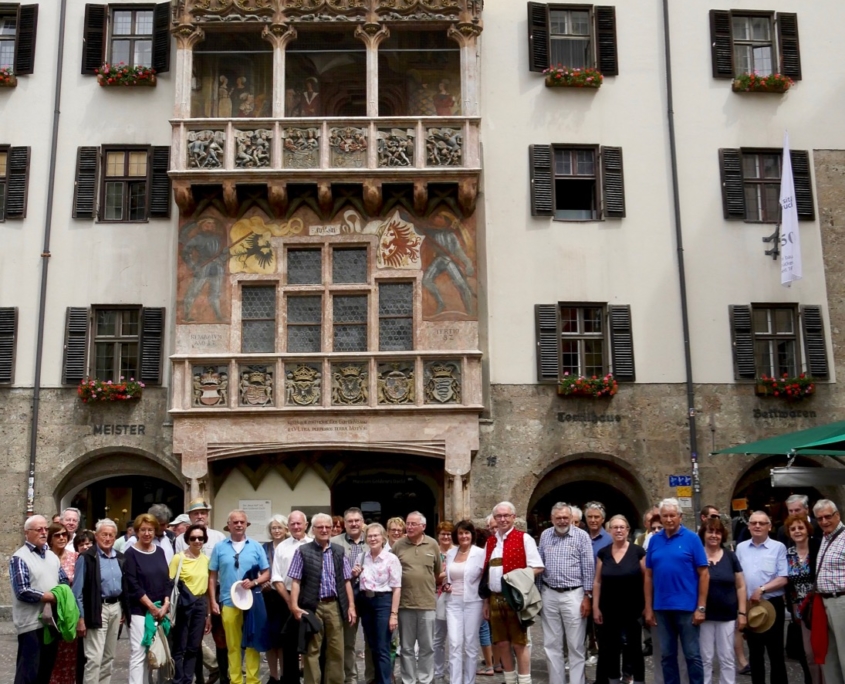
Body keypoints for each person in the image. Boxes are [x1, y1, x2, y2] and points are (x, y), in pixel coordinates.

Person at [645, 498, 709, 684]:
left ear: (680, 517)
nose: (669, 519)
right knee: (667, 656)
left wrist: (701, 607)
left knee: (692, 656)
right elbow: (648, 576)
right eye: (665, 516)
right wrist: (649, 608)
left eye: (673, 515)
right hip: (662, 608)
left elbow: (704, 574)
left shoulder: (692, 539)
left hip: (687, 608)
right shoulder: (654, 540)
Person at [289, 512, 357, 684]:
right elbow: (295, 581)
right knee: (312, 650)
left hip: (335, 605)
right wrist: (294, 606)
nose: (325, 530)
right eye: (320, 527)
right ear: (313, 529)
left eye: (328, 526)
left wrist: (351, 606)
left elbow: (347, 580)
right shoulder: (303, 551)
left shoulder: (339, 551)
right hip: (313, 606)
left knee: (337, 650)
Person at [482, 501, 544, 684]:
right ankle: (509, 680)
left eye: (506, 515)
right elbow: (485, 573)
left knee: (520, 642)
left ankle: (524, 681)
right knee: (501, 642)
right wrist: (485, 601)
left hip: (515, 599)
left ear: (513, 518)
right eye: (499, 516)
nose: (502, 519)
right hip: (494, 598)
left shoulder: (524, 538)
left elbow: (538, 566)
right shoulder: (490, 542)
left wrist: (516, 579)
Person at [210, 509, 270, 684]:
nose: (238, 525)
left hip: (252, 602)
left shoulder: (256, 546)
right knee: (233, 645)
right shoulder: (220, 547)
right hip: (228, 602)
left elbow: (266, 573)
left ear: (246, 525)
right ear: (228, 525)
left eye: (241, 522)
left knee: (252, 643)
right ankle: (235, 680)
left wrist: (254, 582)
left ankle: (253, 680)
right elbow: (212, 575)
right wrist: (213, 601)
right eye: (234, 522)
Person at [538, 502, 595, 684]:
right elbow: (540, 565)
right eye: (558, 518)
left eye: (565, 518)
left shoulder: (581, 536)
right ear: (552, 518)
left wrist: (588, 596)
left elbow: (588, 567)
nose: (562, 521)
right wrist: (538, 594)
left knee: (576, 645)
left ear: (571, 519)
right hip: (549, 593)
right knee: (551, 644)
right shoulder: (546, 535)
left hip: (574, 595)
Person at [175, 497, 228, 684]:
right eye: (195, 513)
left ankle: (223, 675)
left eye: (203, 513)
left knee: (220, 636)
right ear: (189, 516)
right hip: (191, 594)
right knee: (193, 639)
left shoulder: (219, 537)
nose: (199, 516)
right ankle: (196, 677)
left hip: (216, 590)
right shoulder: (181, 539)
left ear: (207, 515)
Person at [10, 515, 66, 684]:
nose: (43, 532)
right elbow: (22, 590)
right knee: (28, 674)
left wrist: (60, 593)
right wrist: (48, 596)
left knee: (45, 672)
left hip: (51, 623)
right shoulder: (19, 557)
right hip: (30, 624)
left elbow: (63, 581)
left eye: (45, 529)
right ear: (27, 533)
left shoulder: (52, 556)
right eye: (39, 529)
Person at [735, 511, 788, 684]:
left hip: (772, 604)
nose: (757, 526)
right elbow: (738, 577)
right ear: (749, 526)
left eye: (762, 523)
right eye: (754, 523)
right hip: (751, 606)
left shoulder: (778, 547)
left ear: (769, 527)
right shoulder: (741, 547)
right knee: (755, 652)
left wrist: (763, 589)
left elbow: (783, 577)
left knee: (776, 653)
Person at [593, 514, 646, 684]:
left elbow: (647, 580)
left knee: (635, 648)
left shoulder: (638, 552)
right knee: (611, 648)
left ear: (628, 530)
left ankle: (638, 680)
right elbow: (598, 581)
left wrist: (648, 605)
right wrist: (595, 607)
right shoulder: (603, 553)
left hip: (633, 608)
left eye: (622, 527)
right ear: (609, 531)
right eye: (615, 527)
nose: (618, 530)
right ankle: (614, 680)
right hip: (609, 608)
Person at [73, 519, 127, 684]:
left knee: (109, 657)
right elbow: (77, 591)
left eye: (111, 535)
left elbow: (124, 585)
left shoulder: (120, 558)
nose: (108, 538)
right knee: (94, 658)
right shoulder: (87, 557)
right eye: (104, 534)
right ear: (96, 536)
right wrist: (81, 618)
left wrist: (123, 609)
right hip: (97, 609)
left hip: (116, 608)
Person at [392, 511, 443, 684]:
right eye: (408, 523)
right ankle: (408, 680)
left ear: (423, 526)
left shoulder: (433, 544)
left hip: (427, 603)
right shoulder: (398, 545)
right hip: (404, 604)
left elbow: (437, 572)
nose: (410, 527)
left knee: (427, 646)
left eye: (414, 524)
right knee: (406, 647)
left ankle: (425, 679)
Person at [124, 513, 173, 684]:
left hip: (160, 609)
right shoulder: (130, 553)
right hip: (140, 610)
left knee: (153, 654)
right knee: (139, 653)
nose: (147, 533)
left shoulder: (159, 551)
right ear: (136, 531)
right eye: (143, 530)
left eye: (150, 530)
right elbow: (132, 583)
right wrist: (151, 606)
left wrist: (166, 603)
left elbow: (167, 579)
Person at [698, 516, 746, 684]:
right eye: (710, 531)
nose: (714, 535)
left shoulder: (730, 556)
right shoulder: (697, 556)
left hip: (727, 615)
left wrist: (742, 613)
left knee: (726, 657)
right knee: (705, 658)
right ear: (703, 534)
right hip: (704, 615)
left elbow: (740, 586)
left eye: (718, 532)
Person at [441, 520, 486, 684]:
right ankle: (455, 681)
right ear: (456, 535)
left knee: (470, 644)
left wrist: (486, 603)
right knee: (454, 643)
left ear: (472, 535)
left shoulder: (480, 553)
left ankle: (469, 681)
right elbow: (449, 576)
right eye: (460, 533)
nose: (463, 536)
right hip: (453, 602)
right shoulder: (451, 553)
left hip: (473, 602)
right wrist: (446, 584)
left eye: (466, 533)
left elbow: (484, 580)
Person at [359, 523, 402, 684]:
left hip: (383, 602)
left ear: (383, 537)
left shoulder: (391, 559)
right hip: (366, 602)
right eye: (369, 536)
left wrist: (393, 614)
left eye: (376, 535)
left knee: (383, 647)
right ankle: (377, 679)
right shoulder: (362, 557)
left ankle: (385, 681)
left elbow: (397, 588)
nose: (372, 539)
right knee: (372, 646)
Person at [271, 510, 311, 684]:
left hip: (309, 599)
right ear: (288, 526)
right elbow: (276, 577)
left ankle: (312, 679)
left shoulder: (314, 544)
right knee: (289, 646)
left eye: (299, 523)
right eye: (292, 524)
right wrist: (290, 602)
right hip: (285, 600)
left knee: (311, 643)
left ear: (306, 525)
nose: (296, 527)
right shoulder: (282, 547)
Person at [170, 523, 211, 684]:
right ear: (187, 539)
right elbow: (170, 583)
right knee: (179, 647)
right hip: (183, 604)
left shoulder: (207, 560)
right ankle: (178, 680)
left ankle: (188, 679)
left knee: (193, 647)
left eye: (200, 538)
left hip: (200, 605)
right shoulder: (178, 558)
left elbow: (208, 589)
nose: (197, 541)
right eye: (193, 538)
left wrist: (208, 614)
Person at [332, 507, 369, 684]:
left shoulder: (373, 540)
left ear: (362, 523)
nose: (354, 524)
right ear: (344, 524)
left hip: (370, 596)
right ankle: (351, 679)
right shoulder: (334, 542)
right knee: (348, 642)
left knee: (371, 642)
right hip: (345, 596)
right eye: (350, 521)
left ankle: (371, 677)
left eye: (357, 521)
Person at [784, 514, 821, 684]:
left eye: (800, 527)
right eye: (793, 529)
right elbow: (787, 584)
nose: (797, 531)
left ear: (808, 529)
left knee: (825, 649)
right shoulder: (788, 554)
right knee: (809, 652)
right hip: (801, 609)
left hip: (820, 606)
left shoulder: (818, 549)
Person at [813, 499, 845, 684]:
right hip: (824, 602)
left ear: (837, 515)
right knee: (829, 655)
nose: (824, 521)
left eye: (828, 516)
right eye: (820, 518)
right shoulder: (826, 537)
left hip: (841, 601)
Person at [47, 522, 78, 684]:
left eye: (64, 534)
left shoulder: (75, 557)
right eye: (57, 535)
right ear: (50, 539)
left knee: (68, 655)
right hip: (49, 612)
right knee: (50, 655)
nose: (61, 538)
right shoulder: (44, 557)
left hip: (68, 613)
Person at [263, 515, 289, 684]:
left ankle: (285, 674)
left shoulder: (290, 546)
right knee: (270, 639)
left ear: (286, 529)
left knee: (284, 639)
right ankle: (274, 676)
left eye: (280, 527)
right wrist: (261, 580)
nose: (277, 531)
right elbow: (258, 567)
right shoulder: (264, 547)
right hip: (268, 596)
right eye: (273, 528)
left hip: (286, 595)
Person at [434, 521, 455, 681]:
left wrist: (444, 574)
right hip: (436, 596)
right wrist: (446, 575)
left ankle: (455, 672)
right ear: (438, 536)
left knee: (456, 639)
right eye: (443, 534)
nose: (446, 537)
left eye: (449, 534)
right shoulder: (434, 552)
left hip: (456, 598)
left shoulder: (458, 552)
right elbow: (430, 576)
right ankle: (438, 672)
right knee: (438, 638)